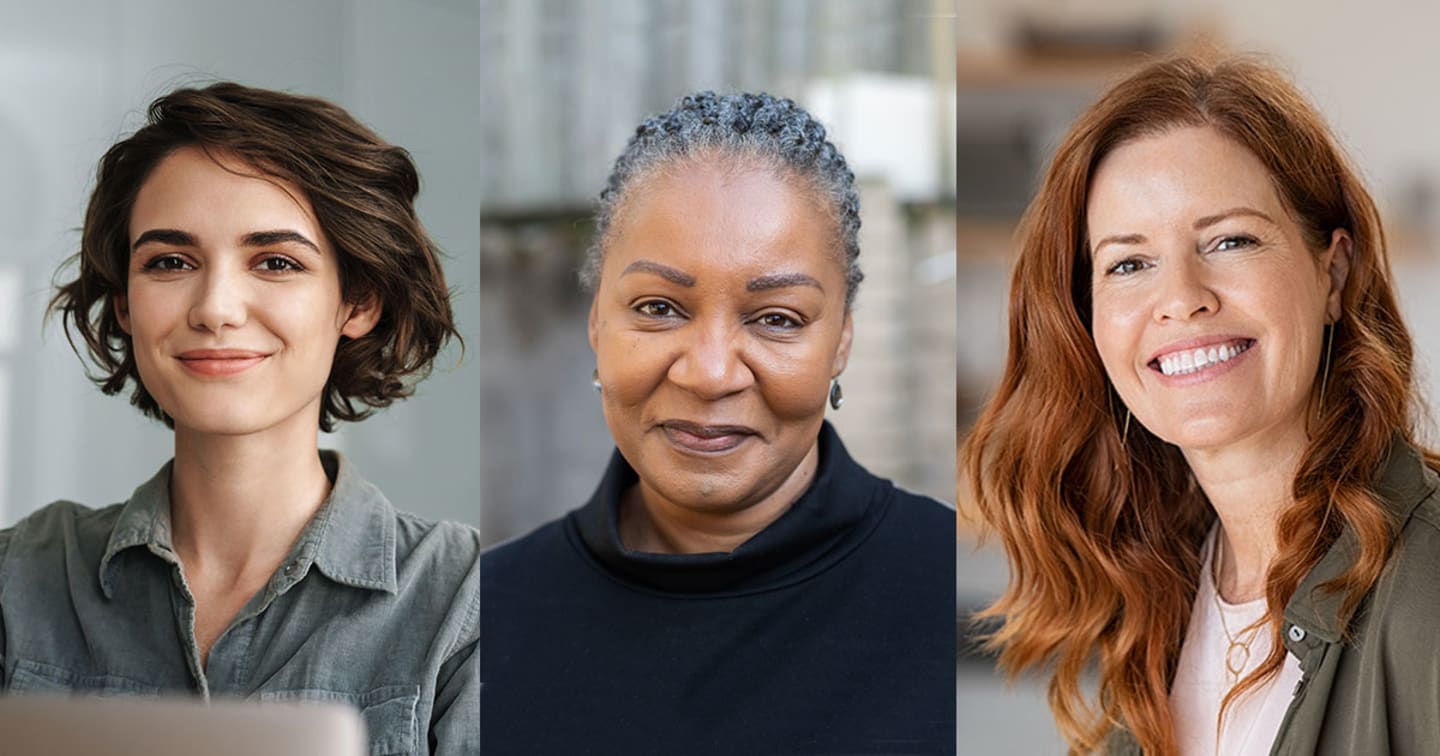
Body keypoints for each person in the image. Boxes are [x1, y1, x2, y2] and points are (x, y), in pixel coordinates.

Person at [962, 54, 1440, 755]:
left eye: (1230, 240)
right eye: (1129, 263)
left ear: (1332, 273)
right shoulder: (1161, 591)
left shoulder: (1426, 584)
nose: (1182, 297)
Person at [0, 83, 478, 754]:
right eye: (170, 262)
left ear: (359, 301)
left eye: (275, 262)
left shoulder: (467, 599)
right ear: (127, 305)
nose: (216, 307)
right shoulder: (19, 579)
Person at [481, 92, 956, 754]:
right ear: (597, 323)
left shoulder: (955, 598)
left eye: (776, 318)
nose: (709, 373)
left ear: (841, 342)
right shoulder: (482, 619)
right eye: (659, 307)